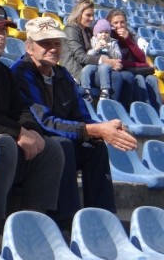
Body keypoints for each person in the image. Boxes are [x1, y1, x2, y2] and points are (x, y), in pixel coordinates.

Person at [12, 17, 137, 227]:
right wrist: (95, 128)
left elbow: (81, 114)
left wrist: (99, 130)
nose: (52, 49)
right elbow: (44, 122)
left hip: (58, 137)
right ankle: (67, 221)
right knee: (64, 145)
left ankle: (104, 217)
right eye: (45, 43)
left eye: (56, 43)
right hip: (33, 143)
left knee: (94, 146)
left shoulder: (62, 74)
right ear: (29, 47)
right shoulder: (21, 72)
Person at [0, 3, 64, 238]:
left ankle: (32, 225)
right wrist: (17, 133)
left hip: (5, 142)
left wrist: (31, 130)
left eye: (4, 30)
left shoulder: (3, 71)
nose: (1, 35)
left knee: (52, 148)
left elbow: (21, 110)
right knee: (4, 143)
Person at [60, 0, 131, 105]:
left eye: (93, 15)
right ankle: (108, 112)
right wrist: (105, 61)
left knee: (128, 76)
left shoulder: (88, 30)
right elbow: (81, 57)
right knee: (115, 77)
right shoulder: (71, 30)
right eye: (88, 15)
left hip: (91, 68)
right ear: (78, 14)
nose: (92, 18)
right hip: (78, 72)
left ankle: (126, 111)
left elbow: (106, 35)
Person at [107, 8, 163, 108]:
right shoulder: (108, 36)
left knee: (152, 79)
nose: (119, 26)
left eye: (122, 22)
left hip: (133, 69)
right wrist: (144, 65)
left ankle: (158, 112)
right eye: (115, 23)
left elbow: (141, 57)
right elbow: (118, 61)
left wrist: (128, 40)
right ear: (109, 23)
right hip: (120, 70)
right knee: (139, 78)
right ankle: (144, 110)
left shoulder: (130, 35)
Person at [81, 19, 122, 101]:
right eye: (100, 32)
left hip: (107, 64)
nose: (104, 35)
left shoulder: (113, 43)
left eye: (106, 32)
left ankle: (105, 90)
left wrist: (109, 48)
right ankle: (85, 90)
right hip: (94, 63)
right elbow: (88, 55)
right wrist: (96, 48)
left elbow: (118, 56)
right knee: (86, 69)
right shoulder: (93, 41)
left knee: (103, 68)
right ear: (96, 34)